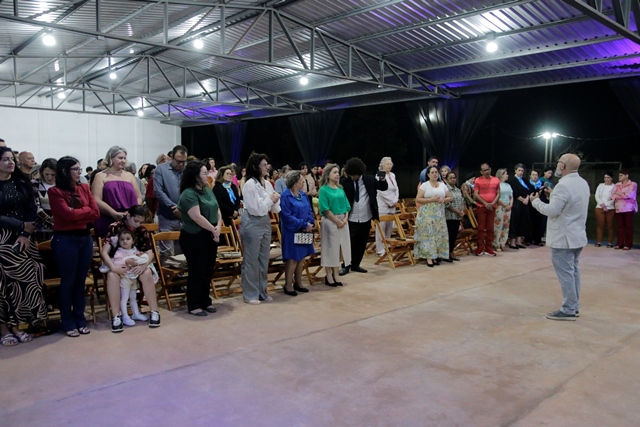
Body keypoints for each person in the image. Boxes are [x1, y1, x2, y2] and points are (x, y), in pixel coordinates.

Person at [531, 154, 589, 321]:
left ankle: (569, 309)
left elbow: (553, 211)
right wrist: (552, 194)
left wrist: (535, 201)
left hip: (564, 237)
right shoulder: (582, 183)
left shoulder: (563, 185)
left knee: (566, 274)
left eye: (558, 163)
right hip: (577, 235)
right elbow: (569, 205)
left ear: (563, 166)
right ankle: (574, 305)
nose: (557, 165)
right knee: (573, 272)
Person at [47, 156, 100, 337]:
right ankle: (68, 321)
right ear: (64, 171)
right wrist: (82, 213)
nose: (79, 172)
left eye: (79, 169)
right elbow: (65, 216)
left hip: (84, 239)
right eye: (75, 169)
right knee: (68, 281)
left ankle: (80, 319)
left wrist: (77, 213)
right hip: (65, 240)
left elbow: (96, 212)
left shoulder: (84, 187)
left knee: (80, 281)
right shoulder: (55, 191)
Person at [0, 146, 47, 346]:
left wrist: (26, 233)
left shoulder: (21, 182)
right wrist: (20, 225)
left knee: (33, 271)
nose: (11, 163)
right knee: (3, 282)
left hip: (23, 237)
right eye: (5, 159)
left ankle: (23, 323)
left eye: (12, 159)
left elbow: (31, 209)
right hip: (2, 238)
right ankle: (4, 328)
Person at [101, 205, 161, 332]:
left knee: (147, 272)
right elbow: (104, 252)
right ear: (128, 215)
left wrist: (143, 265)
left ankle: (154, 311)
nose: (138, 224)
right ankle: (116, 316)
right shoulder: (114, 227)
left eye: (141, 222)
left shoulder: (142, 230)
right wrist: (113, 267)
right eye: (136, 221)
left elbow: (150, 252)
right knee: (112, 276)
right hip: (118, 263)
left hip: (137, 262)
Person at [177, 161, 222, 316]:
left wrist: (218, 228)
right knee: (197, 270)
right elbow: (196, 216)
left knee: (208, 269)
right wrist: (213, 229)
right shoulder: (188, 193)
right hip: (194, 236)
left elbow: (217, 209)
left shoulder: (207, 190)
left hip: (210, 234)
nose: (207, 175)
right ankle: (194, 304)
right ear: (195, 176)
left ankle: (205, 300)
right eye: (204, 173)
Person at [240, 152, 280, 304]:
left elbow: (274, 209)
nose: (267, 167)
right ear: (255, 167)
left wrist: (275, 199)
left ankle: (262, 291)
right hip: (252, 222)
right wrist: (270, 200)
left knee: (263, 258)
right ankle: (250, 294)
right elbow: (256, 209)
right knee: (251, 259)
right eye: (263, 165)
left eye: (267, 164)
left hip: (264, 221)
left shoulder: (268, 183)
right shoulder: (250, 184)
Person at [339, 157, 388, 275]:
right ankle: (346, 265)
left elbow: (383, 187)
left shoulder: (370, 180)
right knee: (349, 242)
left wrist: (382, 178)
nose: (353, 177)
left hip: (366, 216)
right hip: (351, 217)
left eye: (355, 175)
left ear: (360, 173)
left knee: (361, 243)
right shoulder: (345, 182)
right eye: (351, 175)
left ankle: (356, 264)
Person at [92, 146, 142, 238]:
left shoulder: (130, 176)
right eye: (120, 158)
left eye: (124, 158)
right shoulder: (100, 176)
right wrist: (113, 213)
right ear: (111, 158)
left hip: (129, 219)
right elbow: (96, 200)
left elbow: (139, 197)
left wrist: (131, 212)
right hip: (108, 219)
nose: (123, 161)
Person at [279, 170, 315, 296]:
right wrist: (303, 224)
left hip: (304, 230)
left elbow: (309, 210)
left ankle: (298, 283)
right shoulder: (285, 196)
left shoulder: (303, 195)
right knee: (293, 258)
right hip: (291, 231)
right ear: (294, 183)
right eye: (301, 180)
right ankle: (288, 285)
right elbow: (286, 216)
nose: (303, 182)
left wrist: (310, 223)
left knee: (301, 257)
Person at [110, 229, 150, 326]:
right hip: (125, 278)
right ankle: (125, 316)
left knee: (133, 297)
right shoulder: (119, 252)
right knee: (125, 298)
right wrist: (126, 262)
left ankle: (136, 314)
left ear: (133, 240)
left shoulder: (134, 250)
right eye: (122, 239)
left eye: (128, 239)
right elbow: (116, 263)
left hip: (133, 278)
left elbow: (139, 260)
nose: (125, 241)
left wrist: (140, 256)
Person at [318, 164, 350, 286]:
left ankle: (336, 273)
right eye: (334, 172)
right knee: (330, 248)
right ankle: (329, 274)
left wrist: (345, 219)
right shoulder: (324, 190)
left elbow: (347, 206)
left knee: (340, 248)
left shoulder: (341, 189)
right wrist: (336, 221)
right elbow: (325, 208)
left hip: (343, 220)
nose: (337, 174)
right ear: (328, 175)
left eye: (338, 172)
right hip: (330, 221)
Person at [154, 145, 188, 258]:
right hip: (167, 216)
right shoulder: (161, 169)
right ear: (171, 157)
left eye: (184, 161)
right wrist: (173, 206)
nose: (181, 164)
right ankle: (166, 275)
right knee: (167, 252)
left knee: (183, 251)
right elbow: (158, 191)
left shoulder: (187, 170)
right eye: (178, 161)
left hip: (185, 216)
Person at [414, 165, 451, 266]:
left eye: (436, 172)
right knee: (428, 234)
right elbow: (418, 199)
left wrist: (443, 199)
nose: (435, 174)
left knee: (437, 235)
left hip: (439, 214)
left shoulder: (442, 184)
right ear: (428, 174)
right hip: (427, 213)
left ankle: (435, 255)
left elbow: (449, 197)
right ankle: (428, 257)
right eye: (432, 172)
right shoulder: (425, 185)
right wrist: (430, 200)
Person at [473, 163, 500, 256]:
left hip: (492, 207)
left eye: (487, 169)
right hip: (481, 207)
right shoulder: (478, 180)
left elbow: (498, 193)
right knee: (481, 228)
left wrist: (492, 203)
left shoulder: (496, 180)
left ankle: (489, 248)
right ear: (481, 172)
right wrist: (485, 203)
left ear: (490, 169)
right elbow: (476, 194)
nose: (486, 171)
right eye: (484, 170)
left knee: (490, 228)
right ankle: (480, 248)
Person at [375, 157, 399, 257]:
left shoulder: (393, 175)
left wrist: (396, 200)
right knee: (382, 227)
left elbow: (396, 189)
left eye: (390, 164)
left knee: (389, 227)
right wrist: (391, 201)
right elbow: (381, 191)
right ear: (383, 165)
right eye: (387, 164)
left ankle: (388, 246)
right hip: (383, 204)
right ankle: (380, 249)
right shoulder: (379, 175)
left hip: (393, 204)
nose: (389, 166)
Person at [610, 169, 637, 250]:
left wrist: (619, 194)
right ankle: (619, 243)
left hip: (629, 208)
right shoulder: (617, 185)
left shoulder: (633, 184)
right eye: (619, 175)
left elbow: (629, 195)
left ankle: (628, 244)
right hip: (619, 208)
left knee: (628, 226)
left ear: (627, 176)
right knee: (620, 226)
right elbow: (612, 195)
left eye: (621, 175)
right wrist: (622, 195)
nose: (619, 177)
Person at [507, 163, 532, 249]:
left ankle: (519, 240)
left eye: (522, 171)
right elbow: (514, 193)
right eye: (519, 170)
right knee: (515, 221)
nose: (521, 172)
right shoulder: (512, 180)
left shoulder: (524, 180)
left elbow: (530, 190)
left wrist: (527, 198)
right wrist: (522, 199)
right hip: (516, 203)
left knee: (522, 221)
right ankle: (512, 241)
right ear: (515, 170)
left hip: (525, 203)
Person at [32, 158, 57, 241]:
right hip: (42, 228)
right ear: (42, 172)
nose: (49, 177)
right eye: (47, 174)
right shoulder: (35, 184)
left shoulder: (63, 185)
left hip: (62, 227)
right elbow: (36, 206)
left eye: (53, 175)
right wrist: (50, 220)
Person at [444, 171, 464, 262]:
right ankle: (447, 253)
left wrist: (462, 211)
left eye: (454, 178)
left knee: (454, 235)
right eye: (451, 178)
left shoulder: (457, 189)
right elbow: (447, 205)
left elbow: (461, 201)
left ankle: (451, 252)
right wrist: (457, 212)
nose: (453, 179)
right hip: (449, 216)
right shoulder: (446, 189)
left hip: (457, 217)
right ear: (446, 179)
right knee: (449, 236)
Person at [493, 168, 513, 252]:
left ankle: (503, 242)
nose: (507, 175)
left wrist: (510, 204)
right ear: (501, 175)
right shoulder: (497, 185)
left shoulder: (508, 185)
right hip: (500, 206)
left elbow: (511, 196)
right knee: (498, 225)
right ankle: (496, 243)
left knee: (506, 225)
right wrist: (504, 205)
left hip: (508, 207)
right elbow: (496, 197)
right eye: (506, 173)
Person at [594, 171, 615, 247]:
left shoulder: (614, 187)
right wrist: (602, 205)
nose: (606, 179)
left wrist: (607, 205)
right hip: (599, 207)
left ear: (611, 178)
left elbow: (614, 198)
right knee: (600, 225)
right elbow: (597, 196)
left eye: (608, 177)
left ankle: (610, 242)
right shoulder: (600, 186)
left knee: (610, 225)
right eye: (605, 177)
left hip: (610, 208)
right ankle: (599, 241)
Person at [527, 169, 545, 246]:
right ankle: (528, 240)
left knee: (539, 222)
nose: (534, 176)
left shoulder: (542, 184)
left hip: (539, 205)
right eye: (533, 175)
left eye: (536, 175)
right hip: (529, 206)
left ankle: (538, 240)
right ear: (530, 176)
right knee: (529, 222)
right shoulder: (527, 184)